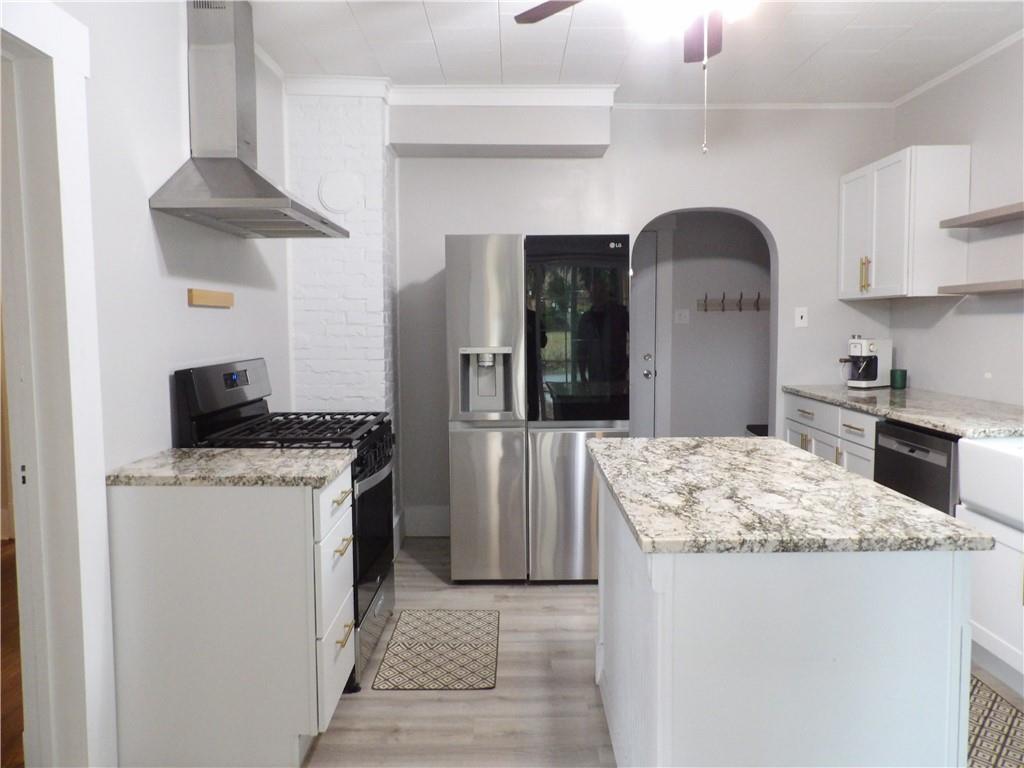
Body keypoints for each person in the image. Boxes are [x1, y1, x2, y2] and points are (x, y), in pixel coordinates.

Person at [577, 274, 628, 393]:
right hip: (596, 375)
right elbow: (581, 349)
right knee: (598, 408)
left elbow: (637, 337)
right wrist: (582, 374)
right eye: (594, 291)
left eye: (601, 291)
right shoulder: (585, 319)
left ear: (606, 292)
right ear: (590, 294)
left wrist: (628, 362)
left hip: (617, 374)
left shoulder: (619, 314)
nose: (597, 295)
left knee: (617, 407)